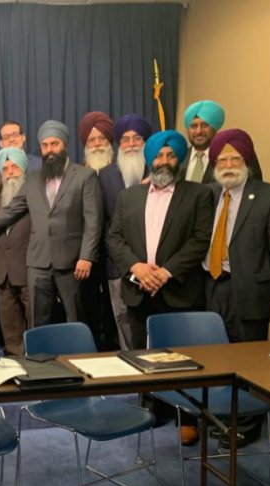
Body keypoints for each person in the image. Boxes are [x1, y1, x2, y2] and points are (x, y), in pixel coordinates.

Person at [0, 120, 101, 326]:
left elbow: (93, 221)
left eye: (54, 144)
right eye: (45, 145)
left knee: (76, 319)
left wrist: (86, 256)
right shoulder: (33, 178)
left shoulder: (84, 176)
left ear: (65, 145)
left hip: (71, 263)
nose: (49, 150)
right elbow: (10, 211)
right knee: (38, 321)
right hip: (38, 263)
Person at [201, 129, 270, 447]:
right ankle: (223, 417)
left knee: (249, 359)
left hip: (250, 289)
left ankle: (247, 424)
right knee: (217, 355)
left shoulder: (269, 195)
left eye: (235, 158)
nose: (228, 165)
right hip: (211, 286)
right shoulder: (207, 194)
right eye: (222, 160)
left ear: (247, 160)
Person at [107, 129, 213, 348]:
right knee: (140, 358)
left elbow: (200, 240)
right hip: (138, 293)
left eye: (171, 156)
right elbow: (115, 238)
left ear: (179, 159)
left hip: (179, 293)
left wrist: (166, 272)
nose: (164, 161)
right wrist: (136, 267)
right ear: (150, 160)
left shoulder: (198, 194)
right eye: (158, 156)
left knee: (180, 359)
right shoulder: (128, 196)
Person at [98, 114, 153, 350]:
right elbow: (103, 222)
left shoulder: (158, 170)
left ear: (146, 142)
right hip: (117, 264)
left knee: (153, 321)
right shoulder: (106, 175)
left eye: (137, 139)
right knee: (122, 319)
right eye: (125, 140)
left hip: (153, 264)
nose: (131, 145)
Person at [77, 111, 116, 348]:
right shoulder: (78, 174)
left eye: (102, 138)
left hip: (115, 254)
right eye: (92, 140)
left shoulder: (123, 172)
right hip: (86, 253)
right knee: (88, 305)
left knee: (114, 308)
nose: (97, 144)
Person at [0, 147, 31, 355]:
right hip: (2, 271)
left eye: (15, 166)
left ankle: (36, 359)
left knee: (34, 319)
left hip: (28, 267)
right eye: (5, 169)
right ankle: (16, 358)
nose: (10, 172)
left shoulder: (34, 194)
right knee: (9, 321)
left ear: (23, 168)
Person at [181, 100, 224, 184]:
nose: (198, 131)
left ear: (215, 128)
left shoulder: (226, 158)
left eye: (205, 125)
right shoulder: (180, 158)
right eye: (193, 126)